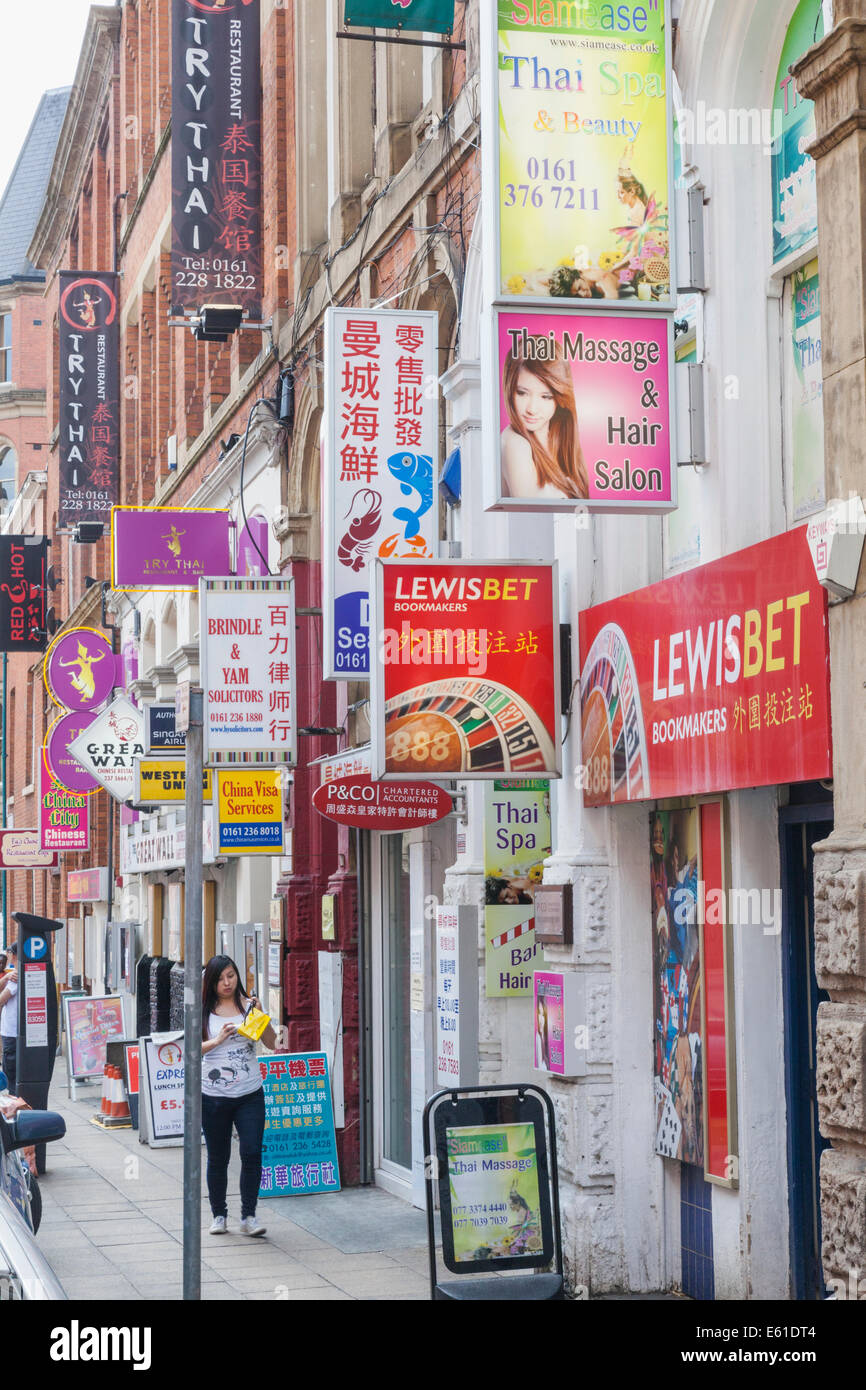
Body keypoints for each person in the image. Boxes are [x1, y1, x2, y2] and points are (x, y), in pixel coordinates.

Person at [201, 954, 276, 1237]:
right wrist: (218, 1040)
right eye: (221, 978)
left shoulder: (249, 1005)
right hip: (214, 1095)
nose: (227, 982)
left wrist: (261, 1018)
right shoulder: (204, 1010)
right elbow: (191, 1050)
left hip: (249, 1093)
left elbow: (271, 1042)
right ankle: (219, 1214)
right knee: (218, 1157)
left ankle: (249, 1216)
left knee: (252, 1152)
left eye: (231, 976)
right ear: (212, 982)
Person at [500, 341, 589, 501]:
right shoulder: (514, 443)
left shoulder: (560, 440)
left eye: (546, 397)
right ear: (509, 388)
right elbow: (529, 511)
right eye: (522, 393)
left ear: (560, 398)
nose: (532, 409)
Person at [0, 942, 19, 1094]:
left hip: (11, 1033)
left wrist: (8, 978)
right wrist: (6, 977)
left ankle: (14, 1104)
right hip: (14, 1032)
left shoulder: (16, 978)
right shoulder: (14, 975)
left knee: (11, 1075)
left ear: (13, 955)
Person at [535, 994, 549, 1071]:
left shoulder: (544, 1040)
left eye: (543, 1014)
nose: (541, 1019)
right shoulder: (538, 1038)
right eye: (539, 1014)